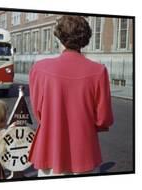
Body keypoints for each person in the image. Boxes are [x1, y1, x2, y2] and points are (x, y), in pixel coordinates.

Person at [28, 15, 114, 177]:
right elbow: (103, 119)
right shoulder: (98, 70)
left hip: (50, 149)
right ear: (85, 39)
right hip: (84, 152)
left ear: (60, 37)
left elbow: (39, 112)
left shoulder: (39, 68)